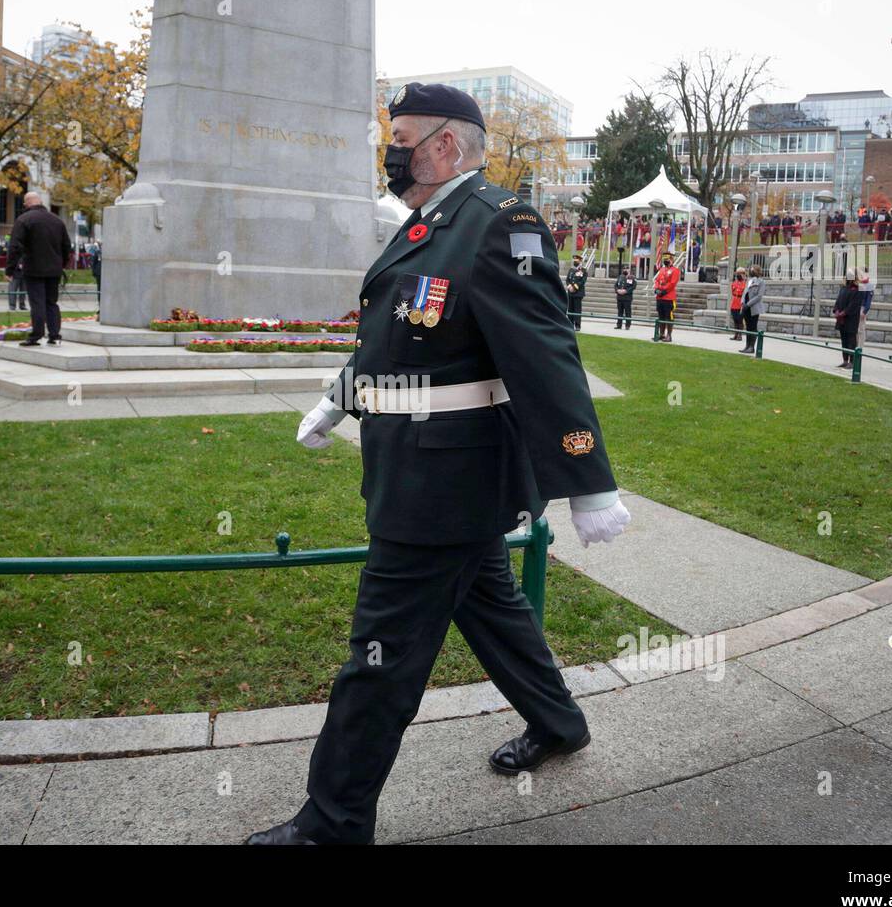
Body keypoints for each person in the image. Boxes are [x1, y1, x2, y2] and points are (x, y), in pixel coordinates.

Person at [251, 82, 629, 846]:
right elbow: (399, 339)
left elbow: (547, 355)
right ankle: (559, 722)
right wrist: (339, 398)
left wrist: (588, 481)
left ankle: (332, 823)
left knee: (379, 659)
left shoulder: (500, 223)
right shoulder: (428, 226)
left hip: (445, 488)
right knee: (492, 610)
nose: (391, 152)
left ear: (446, 146)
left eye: (403, 138)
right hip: (423, 469)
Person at [5, 190, 72, 346]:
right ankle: (54, 334)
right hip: (54, 270)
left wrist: (10, 270)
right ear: (40, 202)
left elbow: (15, 247)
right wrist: (61, 264)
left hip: (34, 268)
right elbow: (66, 246)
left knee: (37, 303)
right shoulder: (57, 221)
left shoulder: (23, 220)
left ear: (27, 203)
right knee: (51, 302)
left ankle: (36, 335)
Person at [833, 275, 863, 368]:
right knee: (844, 340)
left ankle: (852, 362)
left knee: (851, 340)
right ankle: (845, 360)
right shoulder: (843, 288)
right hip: (841, 319)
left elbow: (854, 304)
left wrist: (844, 313)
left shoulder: (858, 289)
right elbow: (838, 301)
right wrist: (836, 310)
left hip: (851, 319)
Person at [653, 250, 680, 342]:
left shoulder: (675, 271)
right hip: (660, 297)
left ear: (672, 260)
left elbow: (672, 283)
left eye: (667, 259)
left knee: (669, 316)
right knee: (661, 316)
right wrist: (656, 289)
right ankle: (661, 334)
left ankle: (669, 335)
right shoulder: (661, 269)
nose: (665, 260)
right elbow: (657, 280)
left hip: (669, 297)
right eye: (664, 259)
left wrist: (664, 291)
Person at [739, 264, 766, 353]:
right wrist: (743, 302)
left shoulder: (761, 282)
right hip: (746, 307)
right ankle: (747, 346)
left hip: (754, 308)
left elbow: (759, 296)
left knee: (753, 327)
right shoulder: (749, 281)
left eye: (752, 270)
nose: (750, 271)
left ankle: (751, 347)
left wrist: (748, 304)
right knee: (748, 327)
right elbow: (744, 292)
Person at [565, 253, 587, 329]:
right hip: (570, 293)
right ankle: (570, 324)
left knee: (577, 309)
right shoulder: (571, 270)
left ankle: (577, 325)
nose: (575, 261)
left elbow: (582, 281)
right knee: (570, 308)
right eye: (574, 260)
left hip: (578, 293)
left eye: (576, 260)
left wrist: (574, 287)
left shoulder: (583, 270)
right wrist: (569, 286)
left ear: (580, 261)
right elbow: (567, 279)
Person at [613, 263, 636, 329]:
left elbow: (633, 286)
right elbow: (615, 285)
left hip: (627, 298)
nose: (625, 270)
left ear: (629, 270)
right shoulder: (620, 276)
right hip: (619, 297)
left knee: (627, 312)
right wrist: (617, 290)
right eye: (624, 269)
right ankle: (619, 325)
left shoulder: (631, 277)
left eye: (627, 269)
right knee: (620, 312)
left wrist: (626, 291)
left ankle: (627, 325)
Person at [728, 266, 747, 340]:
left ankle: (740, 335)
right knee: (735, 319)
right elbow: (733, 292)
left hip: (740, 302)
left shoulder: (745, 284)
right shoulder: (734, 283)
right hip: (734, 302)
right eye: (737, 273)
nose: (738, 275)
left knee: (740, 320)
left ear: (743, 274)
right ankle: (735, 334)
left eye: (740, 273)